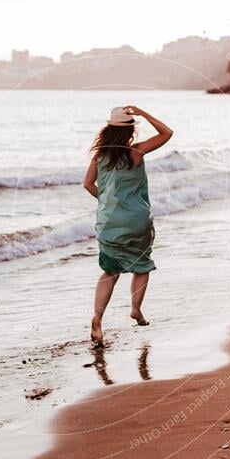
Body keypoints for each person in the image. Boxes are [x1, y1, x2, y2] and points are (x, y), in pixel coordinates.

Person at [83, 105, 174, 347]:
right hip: (137, 220)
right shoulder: (136, 152)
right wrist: (143, 114)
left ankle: (98, 318)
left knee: (110, 271)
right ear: (130, 130)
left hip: (109, 222)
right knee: (141, 266)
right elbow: (167, 133)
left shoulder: (99, 156)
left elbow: (88, 185)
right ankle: (135, 309)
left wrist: (108, 201)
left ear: (109, 130)